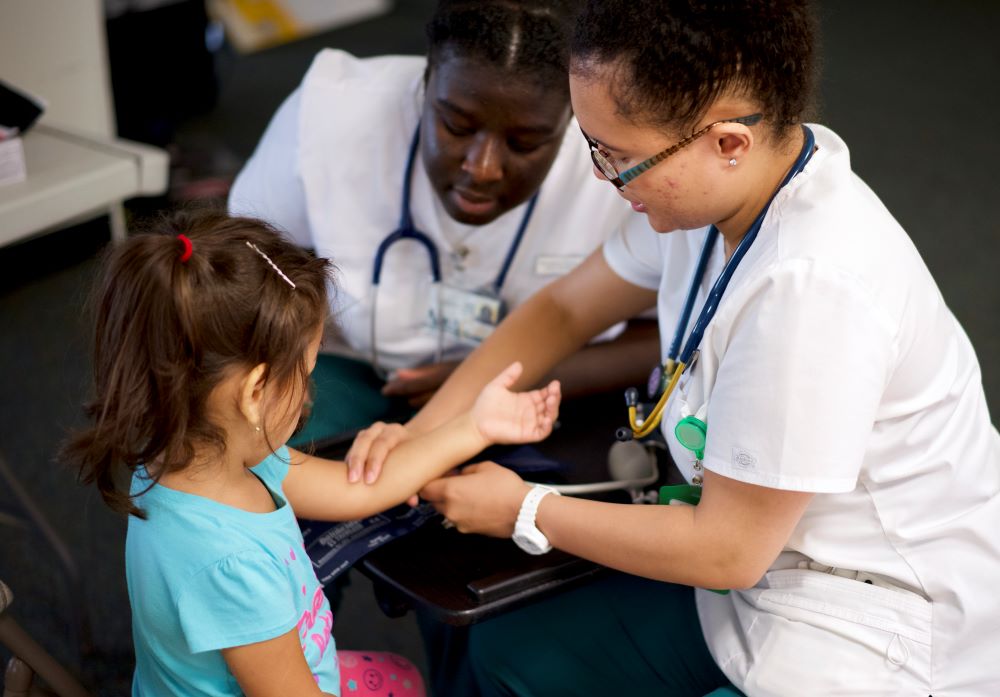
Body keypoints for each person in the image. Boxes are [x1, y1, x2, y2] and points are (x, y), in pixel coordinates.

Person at [346, 1, 1000, 694]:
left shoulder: (812, 290)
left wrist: (524, 509)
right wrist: (421, 439)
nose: (601, 175)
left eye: (618, 156)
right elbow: (564, 310)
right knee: (512, 652)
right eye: (593, 146)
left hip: (870, 627)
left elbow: (726, 552)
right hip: (755, 578)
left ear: (727, 142)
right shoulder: (727, 191)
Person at [61, 210, 561, 697]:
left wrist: (475, 426)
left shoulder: (203, 456)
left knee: (403, 675)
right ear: (255, 392)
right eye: (305, 371)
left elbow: (354, 489)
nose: (309, 391)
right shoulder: (229, 565)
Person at [228, 0, 656, 445]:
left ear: (570, 117)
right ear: (424, 84)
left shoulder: (619, 163)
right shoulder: (328, 117)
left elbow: (665, 332)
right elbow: (245, 283)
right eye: (456, 126)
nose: (483, 168)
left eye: (526, 143)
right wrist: (287, 368)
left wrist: (498, 380)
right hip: (338, 371)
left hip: (535, 389)